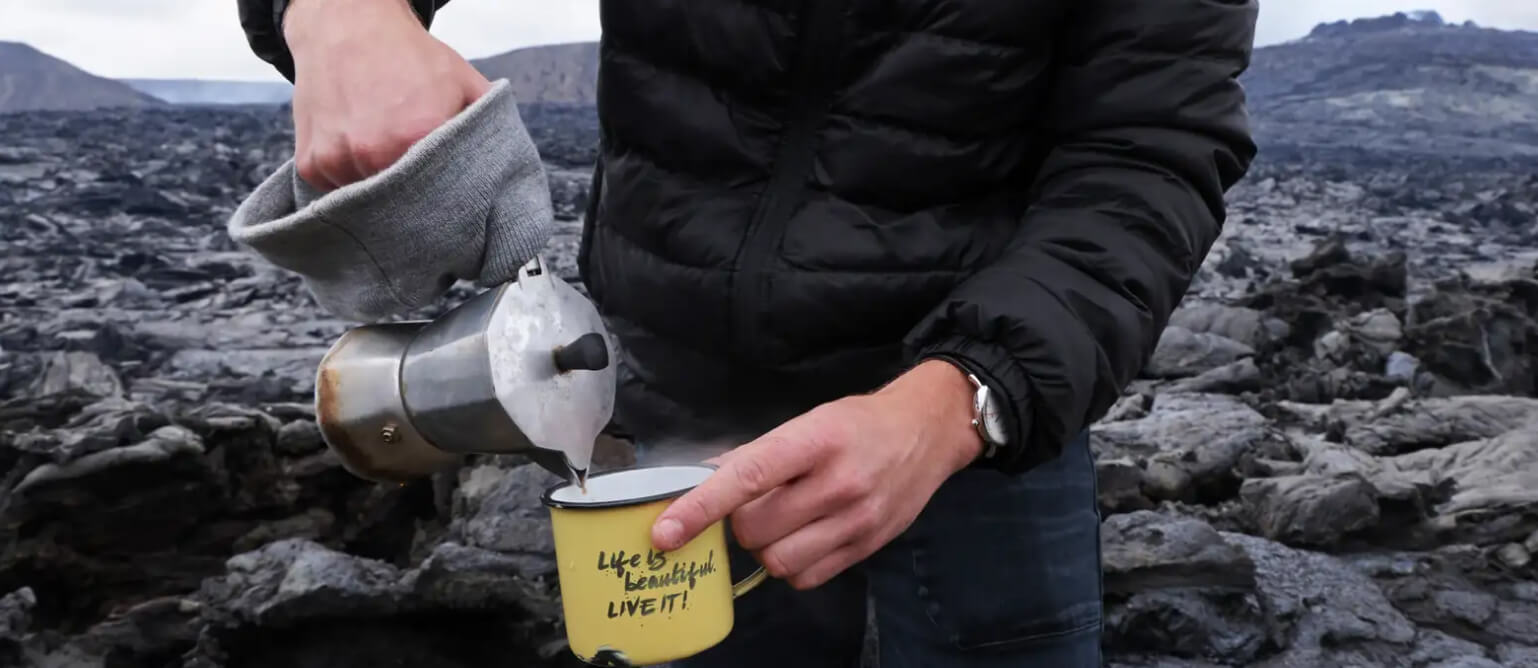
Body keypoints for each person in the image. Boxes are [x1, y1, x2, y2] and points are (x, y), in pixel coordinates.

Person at [232, 0, 1259, 665]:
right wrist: (338, 13)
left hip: (984, 421)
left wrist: (963, 398)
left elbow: (1145, 150)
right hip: (664, 413)